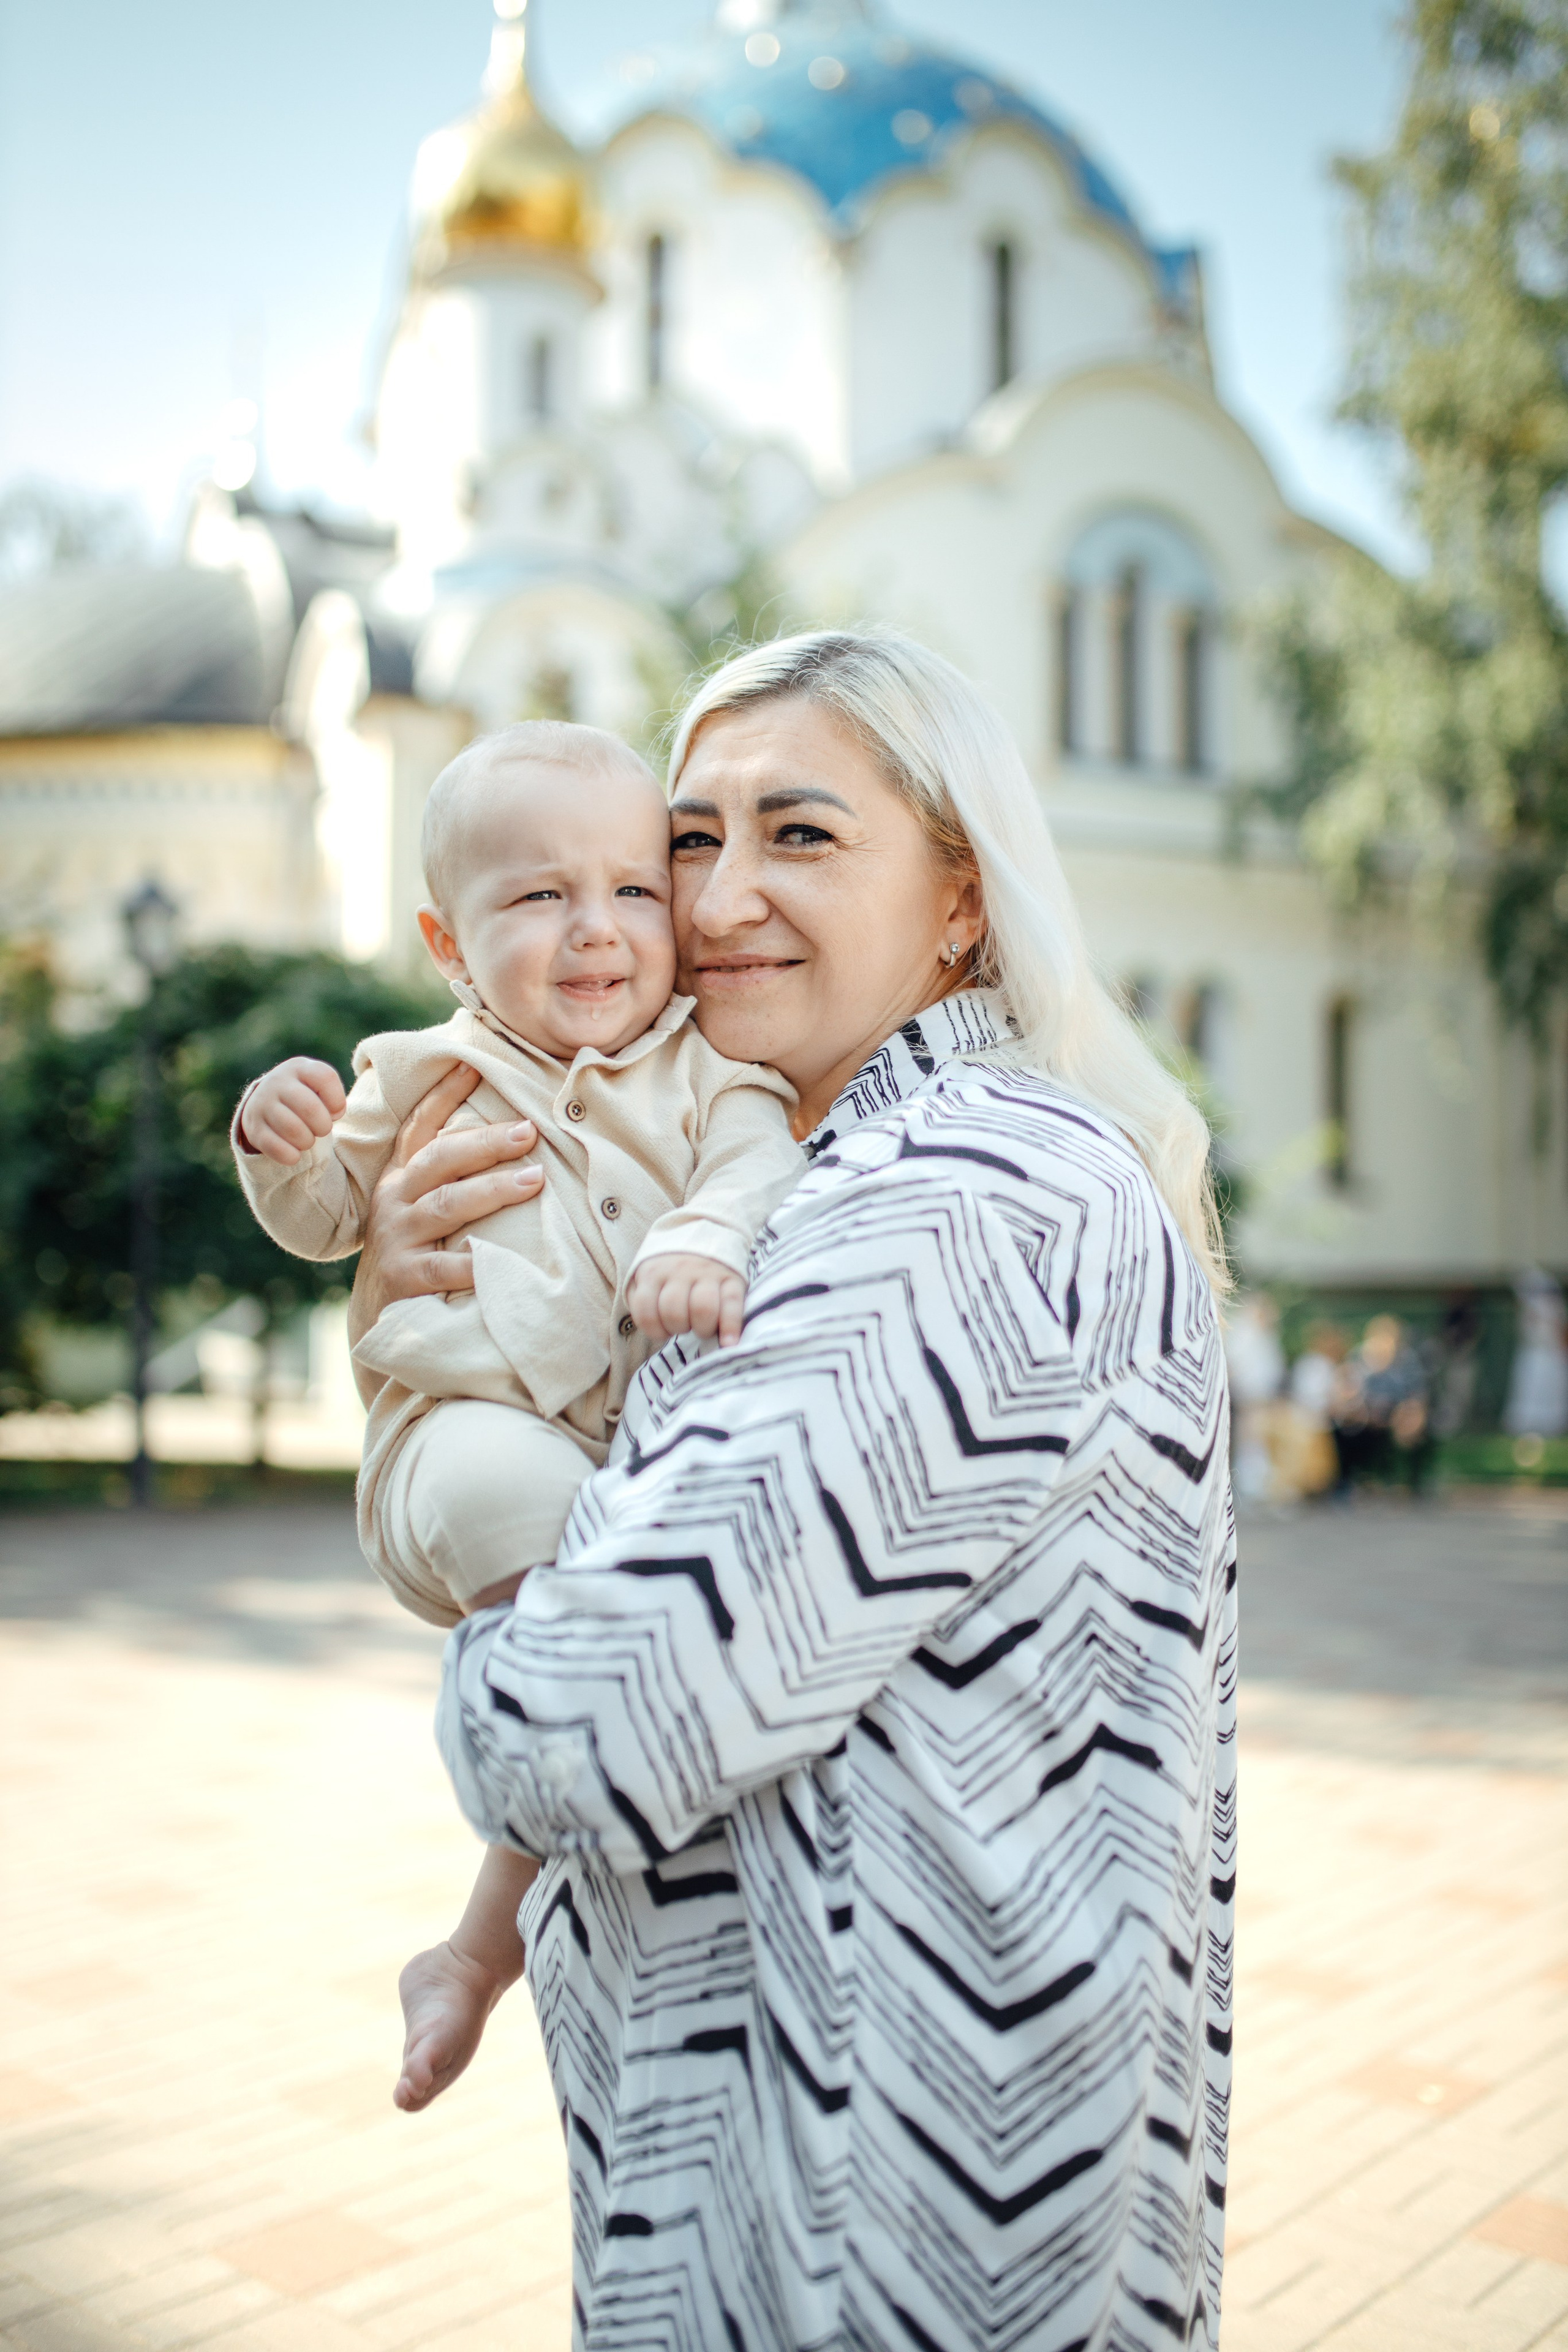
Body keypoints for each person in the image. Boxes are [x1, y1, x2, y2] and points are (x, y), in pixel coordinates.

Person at [353, 631, 1237, 2350]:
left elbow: (592, 1721)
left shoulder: (962, 1186)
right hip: (834, 2176)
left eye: (804, 836)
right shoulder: (815, 1173)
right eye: (693, 839)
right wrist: (426, 1310)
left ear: (962, 901)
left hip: (874, 2219)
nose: (722, 895)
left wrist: (442, 1512)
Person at [231, 718, 803, 2067]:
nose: (595, 930)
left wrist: (705, 1237)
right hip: (460, 1434)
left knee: (608, 1577)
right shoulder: (421, 1074)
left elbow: (757, 1164)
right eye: (539, 896)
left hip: (616, 1462)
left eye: (628, 890)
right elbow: (323, 1217)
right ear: (446, 945)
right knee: (534, 1520)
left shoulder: (703, 1064)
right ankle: (548, 1801)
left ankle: (480, 1942)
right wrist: (280, 1142)